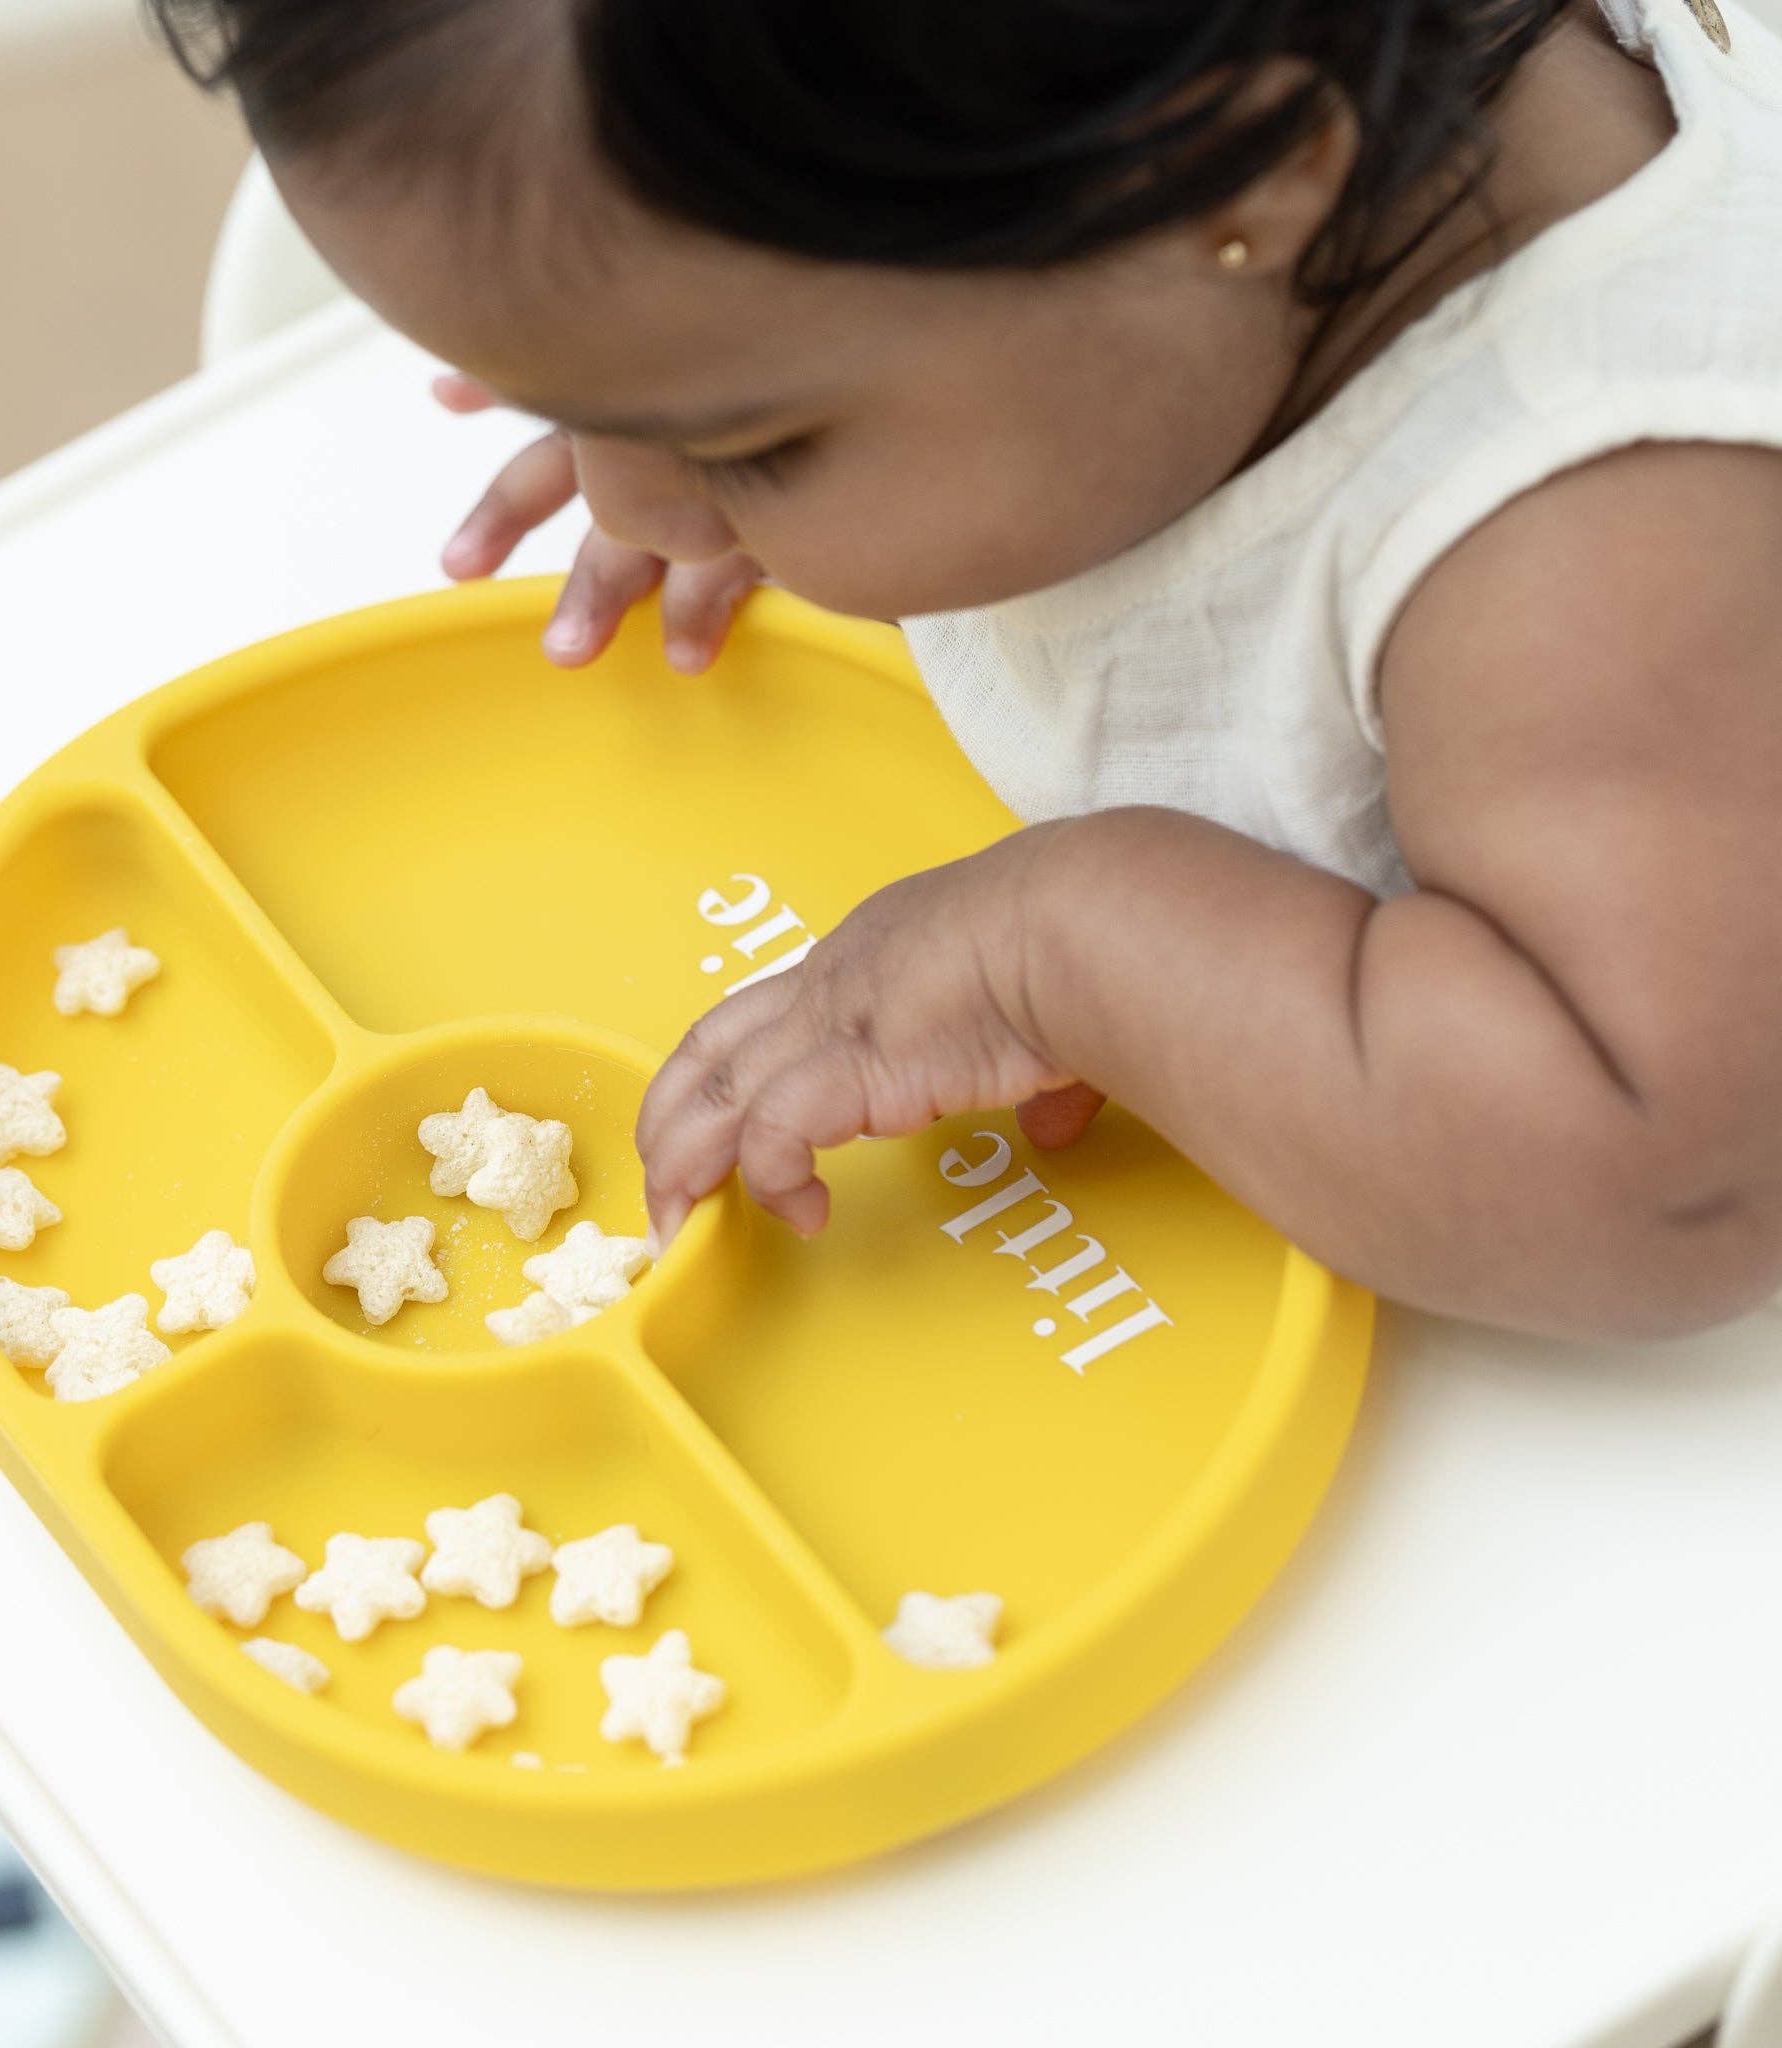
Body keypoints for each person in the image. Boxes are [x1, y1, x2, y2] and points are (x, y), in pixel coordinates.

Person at [152, 0, 1782, 1337]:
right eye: (560, 411)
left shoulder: (1606, 553)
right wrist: (685, 412)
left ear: (1248, 177)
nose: (622, 503)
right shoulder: (1126, 248)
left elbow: (1665, 1182)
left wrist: (1061, 947)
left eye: (748, 441)